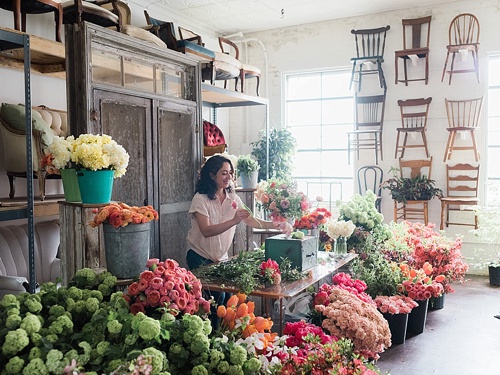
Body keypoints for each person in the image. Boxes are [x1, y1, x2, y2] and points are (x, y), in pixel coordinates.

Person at [186, 155, 276, 325]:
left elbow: (251, 220)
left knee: (228, 303)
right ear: (212, 175)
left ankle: (223, 340)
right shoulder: (200, 199)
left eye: (231, 174)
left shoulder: (233, 197)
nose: (229, 178)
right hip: (199, 256)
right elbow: (206, 231)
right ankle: (213, 340)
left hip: (221, 258)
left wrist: (276, 224)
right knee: (216, 303)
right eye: (224, 173)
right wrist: (233, 221)